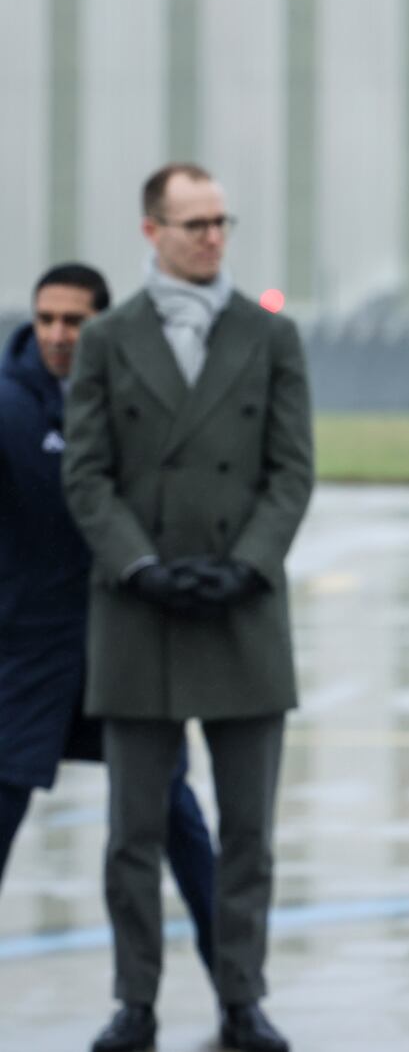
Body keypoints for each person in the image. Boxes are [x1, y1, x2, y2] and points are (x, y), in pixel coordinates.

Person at [63, 163, 314, 1052]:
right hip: (139, 616)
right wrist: (138, 566)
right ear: (151, 231)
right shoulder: (107, 338)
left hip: (244, 614)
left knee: (248, 834)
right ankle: (135, 999)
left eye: (220, 221)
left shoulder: (267, 335)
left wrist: (246, 566)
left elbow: (291, 470)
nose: (212, 236)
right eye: (194, 222)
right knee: (132, 834)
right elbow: (85, 473)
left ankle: (242, 996)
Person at [0, 264, 216, 973]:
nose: (60, 335)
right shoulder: (6, 405)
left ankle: (235, 981)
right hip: (27, 650)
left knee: (172, 812)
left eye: (76, 320)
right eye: (47, 319)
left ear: (102, 323)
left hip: (124, 642)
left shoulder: (137, 402)